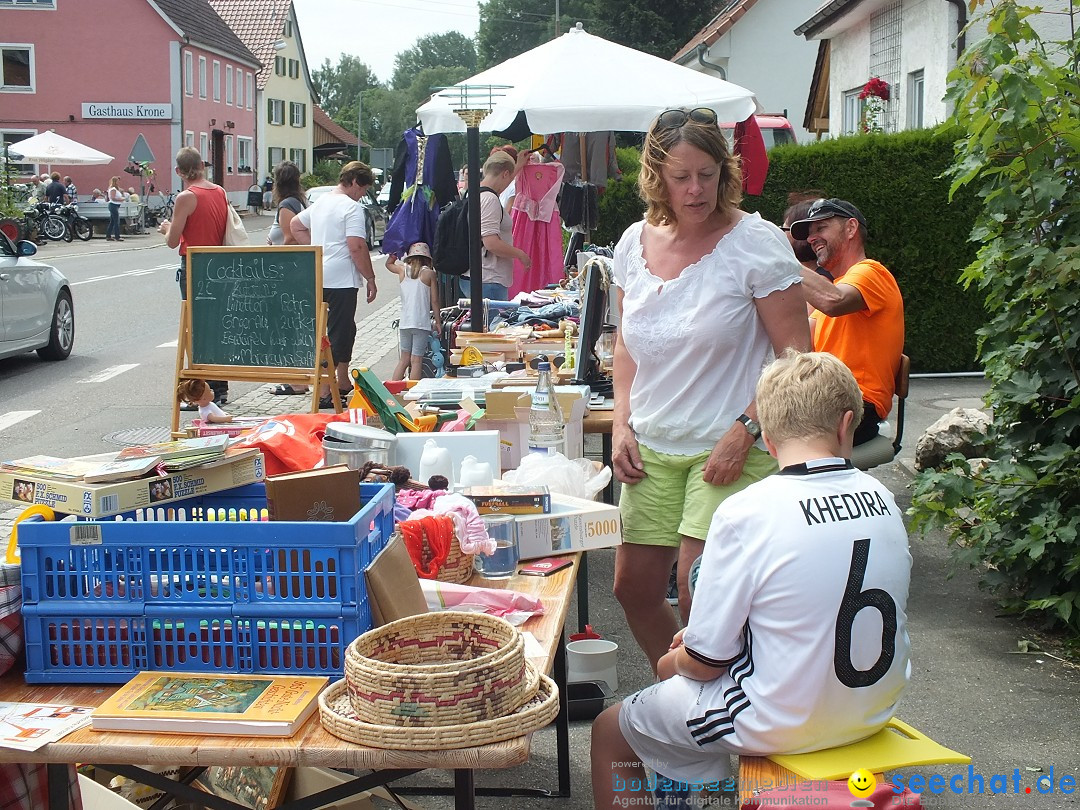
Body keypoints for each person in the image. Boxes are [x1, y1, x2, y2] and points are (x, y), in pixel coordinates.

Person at [592, 350, 912, 808]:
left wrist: (677, 658)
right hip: (872, 708)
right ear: (846, 425)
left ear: (769, 439)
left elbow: (706, 662)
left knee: (613, 727)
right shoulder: (883, 497)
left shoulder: (748, 510)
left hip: (777, 719)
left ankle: (695, 786)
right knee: (685, 694)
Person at [610, 107, 810, 672]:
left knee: (701, 598)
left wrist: (746, 430)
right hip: (651, 446)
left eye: (707, 174)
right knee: (632, 589)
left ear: (726, 173)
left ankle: (716, 716)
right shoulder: (633, 242)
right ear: (656, 177)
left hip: (729, 445)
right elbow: (626, 345)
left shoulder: (756, 242)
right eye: (681, 177)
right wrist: (622, 423)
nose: (696, 189)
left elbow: (796, 357)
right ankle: (686, 698)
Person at [789, 198, 905, 446]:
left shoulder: (871, 272)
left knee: (760, 433)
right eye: (809, 234)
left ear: (851, 228)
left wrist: (777, 258)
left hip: (854, 407)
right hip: (826, 401)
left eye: (821, 228)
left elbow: (835, 301)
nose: (811, 238)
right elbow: (793, 348)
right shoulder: (831, 288)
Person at [290, 160, 378, 409]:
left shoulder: (321, 203)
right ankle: (326, 391)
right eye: (362, 189)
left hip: (319, 274)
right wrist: (370, 277)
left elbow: (296, 225)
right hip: (341, 279)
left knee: (337, 330)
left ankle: (340, 381)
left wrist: (317, 249)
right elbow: (356, 246)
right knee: (339, 332)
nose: (361, 196)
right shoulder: (351, 208)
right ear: (353, 182)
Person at [158, 146, 230, 405]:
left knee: (196, 329)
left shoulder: (186, 197)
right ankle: (220, 387)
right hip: (220, 266)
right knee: (216, 327)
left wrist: (166, 228)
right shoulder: (219, 192)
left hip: (195, 266)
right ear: (202, 165)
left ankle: (202, 392)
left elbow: (172, 241)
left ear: (179, 171)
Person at [460, 150, 530, 302]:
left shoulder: (475, 193)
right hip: (489, 278)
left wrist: (517, 166)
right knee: (492, 324)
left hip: (475, 275)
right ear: (505, 174)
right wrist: (520, 254)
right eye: (508, 176)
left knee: (483, 324)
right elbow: (491, 243)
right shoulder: (490, 199)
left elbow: (501, 182)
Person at [267, 160, 311, 396]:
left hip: (286, 275)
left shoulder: (286, 205)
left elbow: (290, 238)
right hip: (300, 272)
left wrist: (274, 251)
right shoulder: (300, 202)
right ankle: (299, 379)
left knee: (286, 329)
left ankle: (295, 381)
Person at [385, 241, 441, 381]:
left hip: (405, 322)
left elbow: (388, 264)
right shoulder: (429, 274)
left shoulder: (403, 270)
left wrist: (396, 250)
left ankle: (393, 392)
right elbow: (434, 301)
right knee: (416, 360)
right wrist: (438, 321)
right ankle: (413, 394)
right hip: (421, 323)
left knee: (404, 360)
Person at [106, 176, 126, 241]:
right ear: (115, 181)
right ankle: (117, 236)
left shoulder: (114, 188)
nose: (118, 182)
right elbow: (113, 198)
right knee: (116, 221)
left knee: (112, 222)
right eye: (117, 181)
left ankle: (108, 236)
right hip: (113, 205)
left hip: (115, 205)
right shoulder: (113, 189)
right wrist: (121, 199)